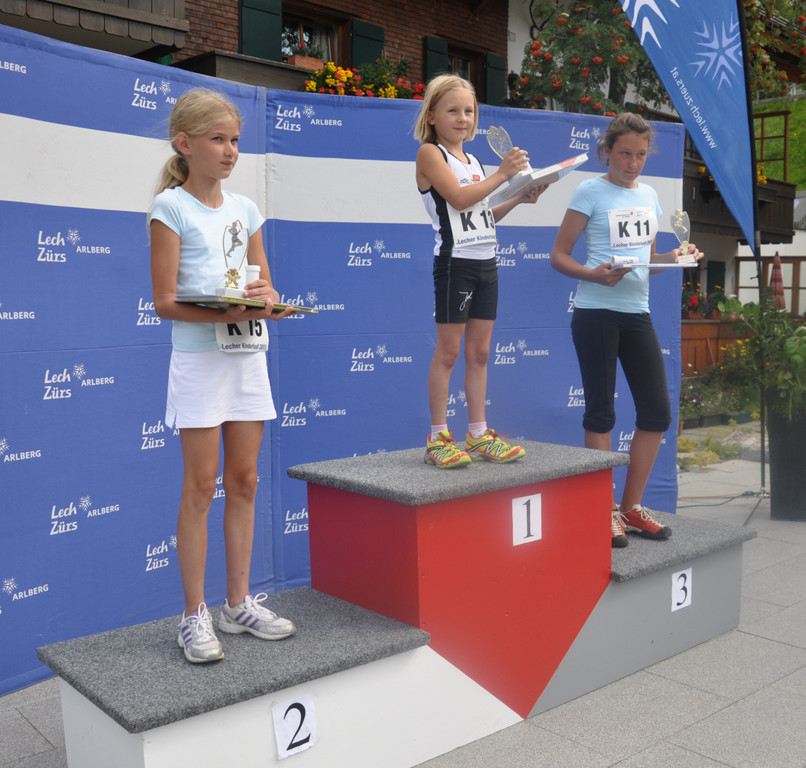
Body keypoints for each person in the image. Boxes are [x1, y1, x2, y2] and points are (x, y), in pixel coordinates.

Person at [150, 88, 297, 663]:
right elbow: (164, 302)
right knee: (199, 487)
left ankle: (238, 604)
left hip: (246, 356)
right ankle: (194, 615)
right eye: (218, 139)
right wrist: (223, 313)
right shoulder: (170, 208)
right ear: (185, 144)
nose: (231, 150)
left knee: (245, 481)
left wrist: (266, 299)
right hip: (198, 362)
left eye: (235, 140)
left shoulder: (246, 209)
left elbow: (265, 286)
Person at [550, 112, 702, 547]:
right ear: (607, 152)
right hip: (596, 312)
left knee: (656, 413)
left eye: (640, 155)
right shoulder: (589, 190)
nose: (632, 163)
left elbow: (648, 261)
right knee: (601, 413)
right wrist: (593, 275)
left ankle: (631, 507)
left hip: (637, 313)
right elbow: (559, 256)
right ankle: (603, 511)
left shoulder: (650, 195)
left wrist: (678, 257)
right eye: (624, 154)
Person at [414, 74, 547, 468]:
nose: (462, 118)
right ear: (432, 116)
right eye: (452, 110)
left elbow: (482, 214)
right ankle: (438, 438)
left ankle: (477, 433)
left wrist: (520, 197)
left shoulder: (474, 161)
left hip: (486, 262)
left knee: (481, 352)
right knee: (449, 351)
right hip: (455, 264)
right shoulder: (430, 154)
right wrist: (503, 175)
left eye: (469, 111)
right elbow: (457, 199)